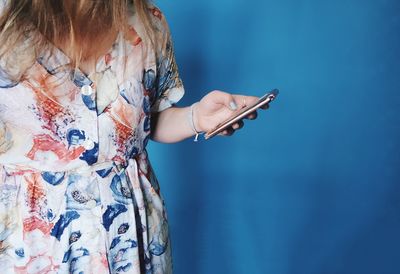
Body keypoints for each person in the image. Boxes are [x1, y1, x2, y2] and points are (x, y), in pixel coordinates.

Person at [0, 0, 268, 273]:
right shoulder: (5, 22)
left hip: (130, 239)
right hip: (29, 244)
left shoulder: (148, 22)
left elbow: (142, 123)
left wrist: (197, 117)